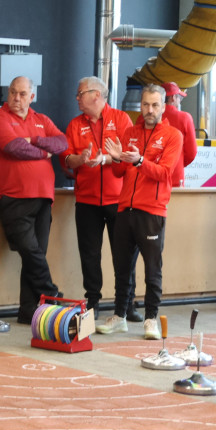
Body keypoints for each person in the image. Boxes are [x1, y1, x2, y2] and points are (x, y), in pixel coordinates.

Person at [96, 85, 182, 339]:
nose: (149, 110)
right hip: (125, 208)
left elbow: (165, 173)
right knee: (122, 267)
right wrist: (116, 158)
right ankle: (119, 316)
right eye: (145, 105)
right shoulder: (130, 132)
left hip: (152, 211)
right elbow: (118, 173)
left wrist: (140, 161)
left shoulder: (173, 135)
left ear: (163, 106)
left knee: (152, 269)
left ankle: (151, 319)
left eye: (155, 105)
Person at [0, 76, 67, 324]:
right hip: (12, 197)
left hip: (44, 197)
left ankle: (28, 310)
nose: (16, 98)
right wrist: (44, 152)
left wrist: (35, 140)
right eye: (12, 92)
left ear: (32, 97)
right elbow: (14, 147)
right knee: (31, 252)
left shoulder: (41, 119)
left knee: (36, 254)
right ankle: (51, 294)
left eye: (22, 94)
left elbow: (62, 142)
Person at [62, 76, 137, 320]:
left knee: (123, 255)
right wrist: (80, 159)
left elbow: (129, 154)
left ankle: (126, 304)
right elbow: (66, 159)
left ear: (96, 94)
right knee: (90, 254)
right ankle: (92, 302)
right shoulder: (75, 125)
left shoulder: (121, 119)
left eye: (80, 93)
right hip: (87, 201)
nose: (77, 97)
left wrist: (105, 158)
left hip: (119, 200)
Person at [161, 82, 197, 186]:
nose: (179, 101)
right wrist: (179, 162)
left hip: (148, 177)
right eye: (179, 97)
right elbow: (191, 152)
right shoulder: (185, 118)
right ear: (173, 98)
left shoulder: (143, 118)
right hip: (175, 176)